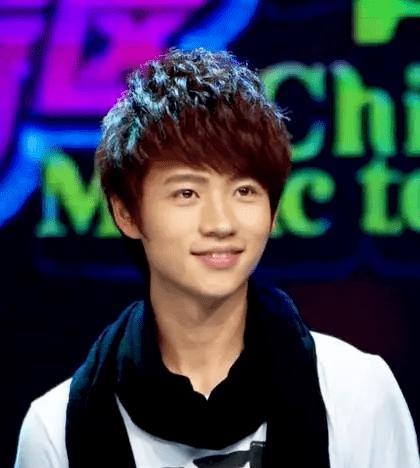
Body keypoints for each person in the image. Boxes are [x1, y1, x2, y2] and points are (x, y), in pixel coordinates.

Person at [14, 47, 419, 468]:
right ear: (127, 213)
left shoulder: (359, 395)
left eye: (244, 191)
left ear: (273, 210)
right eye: (187, 192)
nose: (221, 223)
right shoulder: (56, 429)